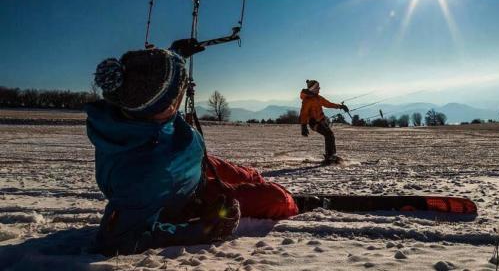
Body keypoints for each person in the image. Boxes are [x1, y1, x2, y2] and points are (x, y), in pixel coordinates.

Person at [86, 39, 298, 256]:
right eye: (178, 92)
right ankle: (292, 204)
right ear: (161, 107)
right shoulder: (143, 175)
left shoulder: (132, 103)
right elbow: (114, 241)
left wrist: (177, 53)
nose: (182, 93)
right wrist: (204, 229)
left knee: (250, 175)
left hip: (190, 163)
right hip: (186, 193)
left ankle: (263, 189)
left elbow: (155, 74)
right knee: (277, 199)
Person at [299, 80, 349, 164]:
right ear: (313, 89)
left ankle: (332, 155)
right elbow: (303, 113)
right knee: (329, 135)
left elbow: (328, 104)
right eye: (318, 87)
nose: (319, 89)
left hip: (321, 121)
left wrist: (340, 106)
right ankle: (330, 156)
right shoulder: (307, 100)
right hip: (314, 123)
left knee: (330, 135)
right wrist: (303, 126)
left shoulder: (318, 98)